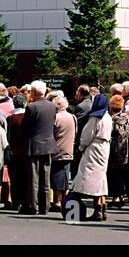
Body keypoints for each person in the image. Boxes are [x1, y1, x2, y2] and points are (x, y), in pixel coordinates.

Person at [72, 92, 113, 220]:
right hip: (104, 147)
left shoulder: (95, 117)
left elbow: (86, 136)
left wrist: (81, 147)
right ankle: (101, 207)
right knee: (101, 178)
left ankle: (97, 211)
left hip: (94, 148)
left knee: (91, 178)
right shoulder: (108, 116)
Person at [20, 80, 58, 215]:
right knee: (46, 178)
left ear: (34, 92)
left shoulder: (31, 107)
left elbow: (24, 127)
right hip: (48, 144)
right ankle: (45, 206)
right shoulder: (52, 106)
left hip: (34, 145)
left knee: (33, 178)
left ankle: (32, 205)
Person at [107, 93, 129, 206]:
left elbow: (110, 135)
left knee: (114, 175)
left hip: (114, 150)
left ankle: (115, 198)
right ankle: (121, 196)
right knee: (122, 174)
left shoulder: (112, 119)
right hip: (125, 150)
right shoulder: (126, 118)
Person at [52, 94, 77, 211]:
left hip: (56, 151)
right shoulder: (73, 117)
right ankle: (65, 199)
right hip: (69, 150)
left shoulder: (55, 118)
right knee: (66, 176)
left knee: (56, 176)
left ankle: (56, 201)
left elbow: (51, 134)